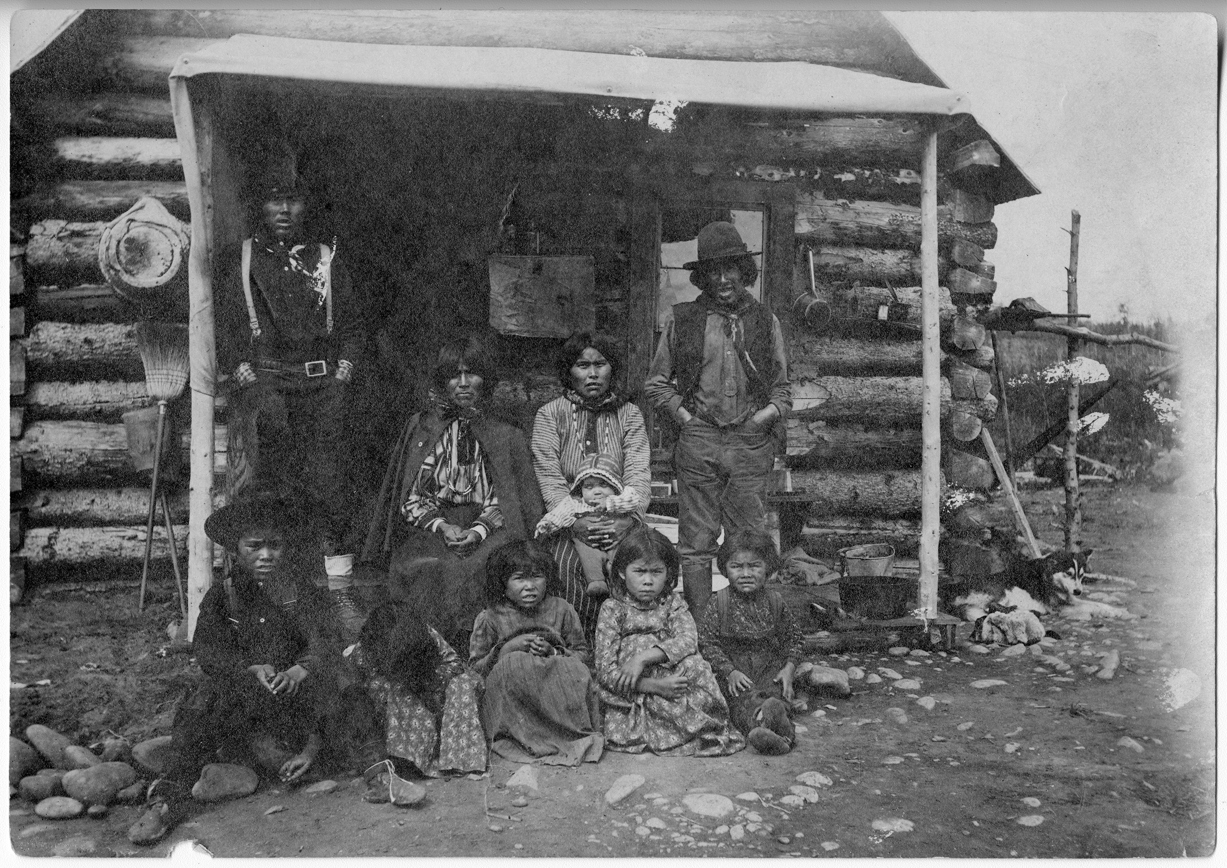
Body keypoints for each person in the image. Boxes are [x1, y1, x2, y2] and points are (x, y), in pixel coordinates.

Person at [128, 492, 341, 845]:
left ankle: (368, 767)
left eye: (274, 546)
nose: (266, 555)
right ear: (235, 550)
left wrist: (299, 670)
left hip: (294, 702)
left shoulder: (301, 593)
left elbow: (326, 640)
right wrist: (250, 668)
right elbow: (208, 651)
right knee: (203, 696)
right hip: (246, 701)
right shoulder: (223, 595)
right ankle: (169, 798)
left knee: (339, 682)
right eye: (254, 547)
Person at [216, 158, 372, 639]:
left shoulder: (326, 258)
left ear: (306, 205)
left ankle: (337, 589)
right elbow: (226, 331)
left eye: (293, 199)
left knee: (329, 487)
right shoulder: (242, 259)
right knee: (268, 489)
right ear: (260, 205)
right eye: (274, 199)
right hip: (267, 391)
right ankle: (264, 593)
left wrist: (342, 380)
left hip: (323, 388)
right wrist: (250, 385)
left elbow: (352, 329)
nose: (284, 209)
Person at [644, 221, 791, 616]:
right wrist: (686, 418)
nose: (724, 279)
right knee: (696, 543)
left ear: (745, 272)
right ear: (702, 276)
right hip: (700, 441)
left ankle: (748, 623)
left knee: (750, 540)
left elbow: (783, 388)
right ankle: (702, 627)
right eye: (714, 270)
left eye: (731, 269)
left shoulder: (765, 321)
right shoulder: (684, 319)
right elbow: (656, 383)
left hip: (749, 444)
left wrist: (764, 418)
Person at [362, 336, 543, 650]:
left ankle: (474, 650)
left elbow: (507, 502)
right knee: (430, 567)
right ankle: (427, 650)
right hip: (432, 526)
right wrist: (443, 527)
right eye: (453, 375)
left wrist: (477, 530)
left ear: (484, 379)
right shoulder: (422, 428)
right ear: (442, 381)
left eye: (471, 373)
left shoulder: (505, 433)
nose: (462, 383)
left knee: (475, 568)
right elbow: (411, 495)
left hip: (489, 528)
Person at [531, 331, 651, 638]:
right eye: (583, 365)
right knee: (564, 562)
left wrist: (622, 519)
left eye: (601, 364)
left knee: (636, 561)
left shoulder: (629, 414)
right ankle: (576, 642)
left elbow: (638, 471)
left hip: (621, 516)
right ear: (569, 372)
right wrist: (575, 521)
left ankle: (629, 639)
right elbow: (549, 473)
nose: (593, 373)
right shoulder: (549, 414)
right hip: (570, 520)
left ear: (613, 370)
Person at [594, 526, 744, 757]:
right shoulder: (613, 609)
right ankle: (670, 725)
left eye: (656, 572)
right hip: (634, 687)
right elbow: (605, 669)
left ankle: (695, 725)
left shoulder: (672, 603)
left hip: (670, 674)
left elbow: (687, 639)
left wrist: (643, 658)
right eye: (640, 571)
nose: (648, 581)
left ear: (668, 573)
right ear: (623, 572)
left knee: (697, 665)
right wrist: (652, 685)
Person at [469, 540, 604, 765]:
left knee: (571, 669)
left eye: (536, 577)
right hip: (516, 706)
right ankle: (524, 737)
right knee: (513, 664)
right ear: (502, 584)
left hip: (555, 697)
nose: (529, 586)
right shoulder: (490, 617)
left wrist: (554, 651)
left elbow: (583, 656)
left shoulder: (562, 609)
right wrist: (505, 650)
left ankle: (559, 734)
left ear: (548, 579)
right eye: (520, 578)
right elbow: (475, 670)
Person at [343, 602, 486, 802]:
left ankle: (457, 760)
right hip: (394, 709)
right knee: (399, 692)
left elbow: (454, 664)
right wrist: (397, 682)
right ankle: (408, 761)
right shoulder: (362, 653)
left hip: (430, 689)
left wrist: (427, 680)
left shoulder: (426, 636)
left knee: (462, 683)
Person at [697, 530, 803, 755]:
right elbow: (707, 643)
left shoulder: (775, 601)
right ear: (725, 569)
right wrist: (729, 671)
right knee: (740, 702)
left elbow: (793, 638)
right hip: (735, 671)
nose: (745, 573)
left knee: (775, 694)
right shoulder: (719, 602)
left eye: (754, 566)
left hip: (768, 666)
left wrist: (789, 670)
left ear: (768, 568)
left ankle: (779, 727)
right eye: (737, 567)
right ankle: (763, 731)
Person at [534, 452, 643, 599]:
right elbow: (560, 513)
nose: (597, 491)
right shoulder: (576, 503)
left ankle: (619, 584)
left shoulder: (619, 498)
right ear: (581, 489)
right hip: (589, 543)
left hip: (617, 539)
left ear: (615, 485)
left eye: (604, 485)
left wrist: (609, 503)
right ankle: (596, 582)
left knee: (624, 553)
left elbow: (633, 500)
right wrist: (547, 524)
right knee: (586, 554)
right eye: (589, 487)